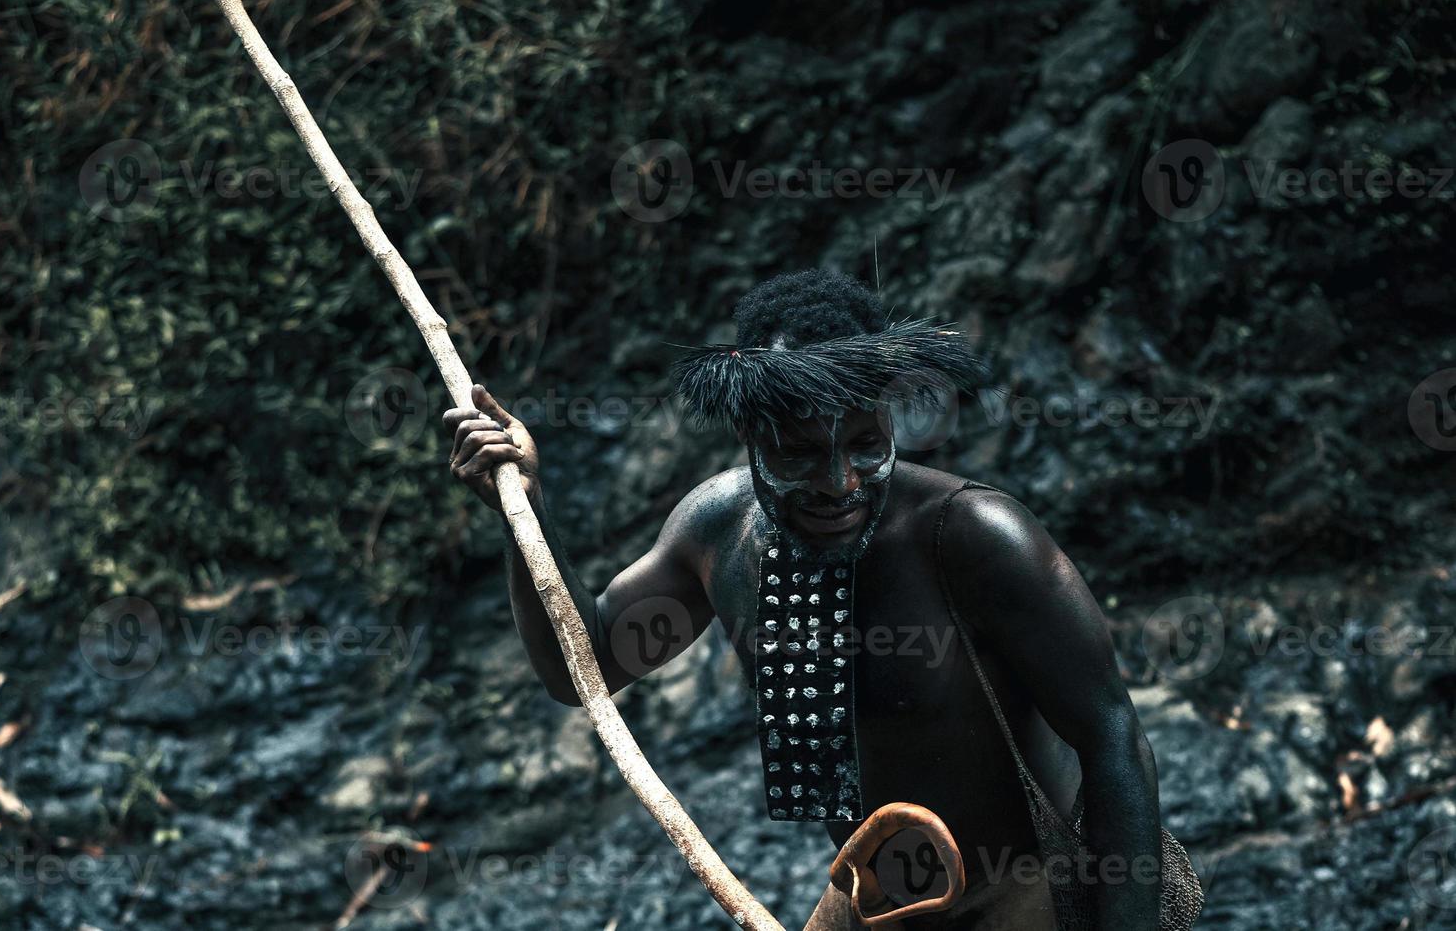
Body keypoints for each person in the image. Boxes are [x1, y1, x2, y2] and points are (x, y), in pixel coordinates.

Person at [444, 269, 1164, 929]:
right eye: (799, 454)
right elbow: (585, 669)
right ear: (750, 436)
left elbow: (1112, 735)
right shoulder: (718, 533)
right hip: (873, 902)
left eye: (863, 446)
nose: (839, 484)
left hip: (1025, 893)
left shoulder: (975, 537)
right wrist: (523, 509)